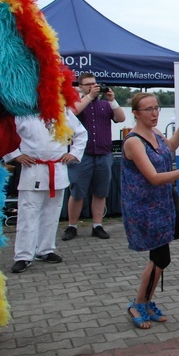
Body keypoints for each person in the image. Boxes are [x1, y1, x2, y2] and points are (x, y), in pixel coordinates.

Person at [121, 93, 179, 329]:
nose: (154, 113)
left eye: (156, 108)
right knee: (161, 257)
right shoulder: (133, 141)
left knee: (160, 258)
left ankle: (146, 302)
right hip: (143, 207)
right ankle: (138, 303)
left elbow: (168, 148)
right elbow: (154, 177)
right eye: (148, 109)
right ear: (136, 113)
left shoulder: (157, 133)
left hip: (162, 204)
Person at [6, 112, 87, 274]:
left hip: (57, 169)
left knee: (52, 212)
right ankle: (23, 256)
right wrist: (15, 155)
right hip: (33, 168)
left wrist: (74, 153)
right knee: (28, 214)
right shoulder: (23, 112)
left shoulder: (62, 110)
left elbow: (81, 133)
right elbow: (5, 133)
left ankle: (45, 249)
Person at [64, 73, 125, 241]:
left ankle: (97, 225)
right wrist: (89, 96)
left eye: (95, 83)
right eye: (88, 84)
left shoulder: (105, 105)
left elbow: (121, 118)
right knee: (77, 192)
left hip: (103, 154)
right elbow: (73, 112)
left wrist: (112, 100)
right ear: (81, 87)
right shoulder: (76, 104)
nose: (93, 86)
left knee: (101, 192)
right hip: (81, 155)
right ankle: (72, 226)